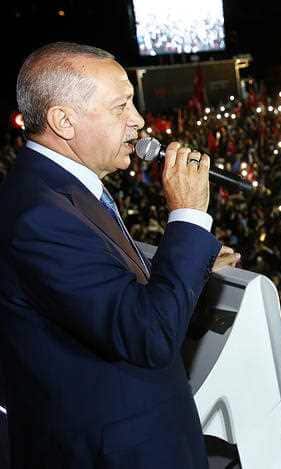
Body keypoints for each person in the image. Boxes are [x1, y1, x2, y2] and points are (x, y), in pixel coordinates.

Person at [0, 42, 238, 469]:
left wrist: (179, 268)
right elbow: (145, 334)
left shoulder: (56, 190)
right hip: (116, 451)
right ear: (63, 121)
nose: (139, 121)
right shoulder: (40, 216)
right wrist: (186, 216)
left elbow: (102, 297)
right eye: (120, 107)